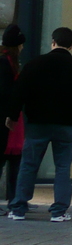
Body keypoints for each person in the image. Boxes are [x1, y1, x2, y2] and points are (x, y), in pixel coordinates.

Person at [6, 27, 72, 222]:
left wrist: (13, 116)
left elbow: (19, 92)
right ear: (71, 45)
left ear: (52, 42)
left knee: (28, 165)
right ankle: (59, 211)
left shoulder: (35, 64)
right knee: (63, 167)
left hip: (38, 123)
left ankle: (18, 208)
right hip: (66, 124)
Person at [0, 24, 24, 211]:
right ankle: (14, 199)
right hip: (6, 119)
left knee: (15, 160)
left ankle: (15, 199)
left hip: (11, 118)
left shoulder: (10, 63)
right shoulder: (4, 63)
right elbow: (6, 92)